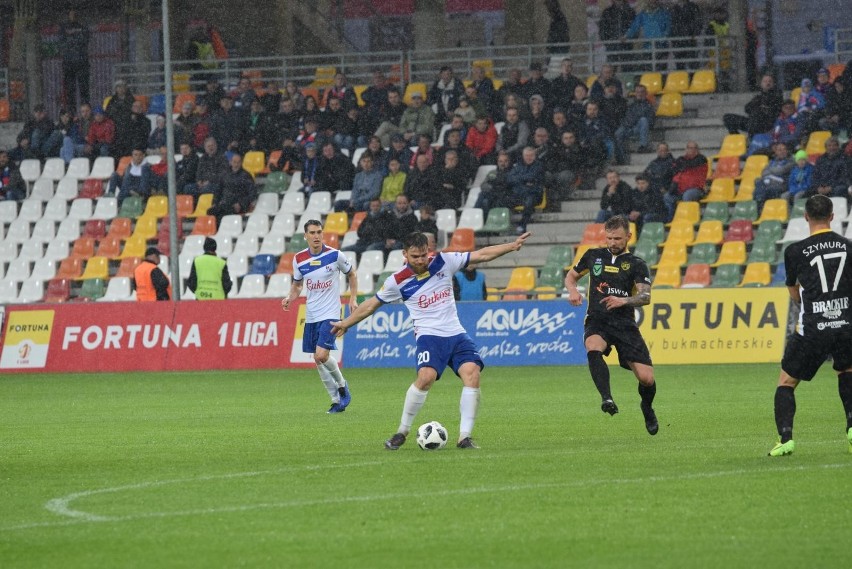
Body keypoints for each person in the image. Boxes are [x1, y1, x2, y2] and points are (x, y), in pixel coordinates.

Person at [331, 230, 532, 449]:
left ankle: (464, 437)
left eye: (423, 255)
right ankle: (402, 432)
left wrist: (511, 246)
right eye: (415, 256)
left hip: (456, 333)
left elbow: (481, 255)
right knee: (426, 377)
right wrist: (346, 323)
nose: (420, 260)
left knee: (472, 374)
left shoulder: (443, 261)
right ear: (405, 254)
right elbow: (372, 304)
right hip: (429, 336)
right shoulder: (396, 281)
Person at [768, 195, 852, 456]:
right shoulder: (849, 246)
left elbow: (794, 292)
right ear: (832, 216)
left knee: (787, 382)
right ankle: (851, 427)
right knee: (847, 372)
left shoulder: (795, 251)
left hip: (813, 328)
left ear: (806, 217)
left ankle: (786, 439)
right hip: (846, 324)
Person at [564, 215, 658, 435]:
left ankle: (646, 406)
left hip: (624, 323)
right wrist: (572, 290)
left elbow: (645, 297)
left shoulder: (636, 264)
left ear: (629, 236)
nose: (612, 242)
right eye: (609, 238)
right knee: (592, 346)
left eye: (617, 238)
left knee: (646, 378)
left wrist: (623, 300)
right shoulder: (593, 256)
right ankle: (606, 397)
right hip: (598, 318)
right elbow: (571, 276)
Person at [282, 220, 358, 414]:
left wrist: (353, 298)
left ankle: (342, 386)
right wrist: (290, 298)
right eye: (312, 233)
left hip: (331, 313)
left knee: (321, 355)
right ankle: (335, 400)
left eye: (319, 232)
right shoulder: (299, 259)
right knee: (318, 360)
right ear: (305, 236)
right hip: (312, 314)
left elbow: (352, 274)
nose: (316, 236)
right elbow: (298, 285)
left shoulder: (334, 255)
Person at [664, 141, 708, 221]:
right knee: (667, 196)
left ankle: (688, 219)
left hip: (696, 189)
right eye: (689, 148)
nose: (691, 150)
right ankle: (671, 219)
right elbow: (673, 169)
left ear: (697, 150)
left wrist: (680, 165)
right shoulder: (681, 159)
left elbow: (689, 164)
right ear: (686, 149)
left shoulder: (701, 159)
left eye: (693, 148)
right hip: (681, 189)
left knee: (687, 196)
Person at [59, 10, 90, 109]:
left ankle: (86, 112)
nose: (73, 16)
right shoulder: (63, 28)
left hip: (82, 63)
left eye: (75, 14)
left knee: (84, 90)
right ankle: (72, 113)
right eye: (71, 14)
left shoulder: (82, 27)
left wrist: (72, 40)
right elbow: (62, 43)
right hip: (69, 64)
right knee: (70, 92)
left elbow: (84, 41)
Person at [752, 142, 794, 213]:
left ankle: (760, 210)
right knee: (758, 182)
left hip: (782, 184)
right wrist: (772, 170)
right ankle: (759, 207)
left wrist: (770, 170)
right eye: (780, 150)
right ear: (776, 152)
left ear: (787, 151)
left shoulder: (791, 161)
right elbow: (763, 172)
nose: (782, 152)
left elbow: (781, 170)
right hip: (769, 182)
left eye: (784, 149)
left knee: (763, 190)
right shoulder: (772, 161)